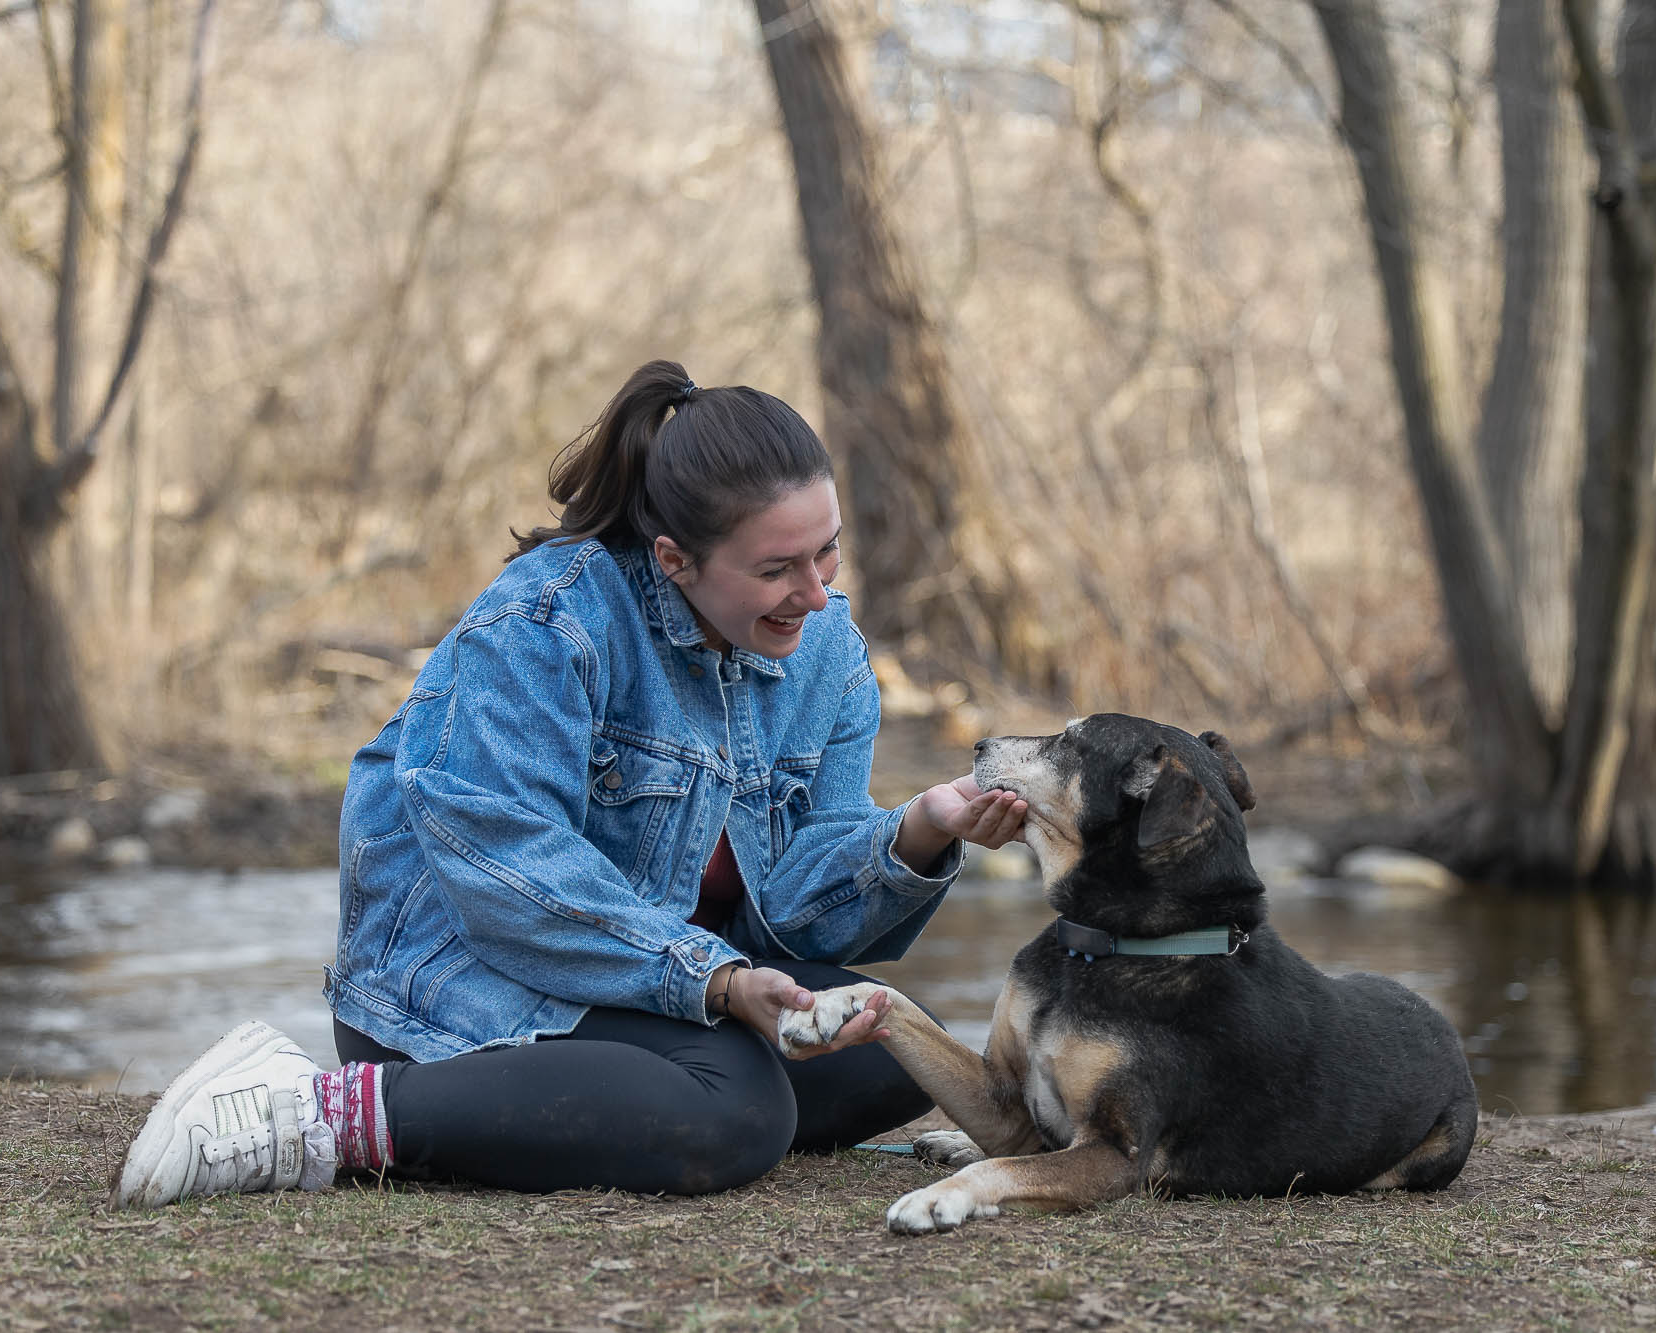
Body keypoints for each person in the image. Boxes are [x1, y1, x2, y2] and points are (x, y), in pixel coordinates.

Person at [111, 359, 1027, 1207]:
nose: (816, 592)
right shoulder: (546, 622)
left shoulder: (824, 650)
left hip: (644, 984)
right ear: (674, 559)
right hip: (464, 978)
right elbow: (511, 879)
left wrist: (919, 828)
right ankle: (316, 1113)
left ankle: (608, 1108)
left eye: (825, 552)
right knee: (737, 1112)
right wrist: (713, 982)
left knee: (889, 1052)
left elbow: (790, 916)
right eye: (776, 568)